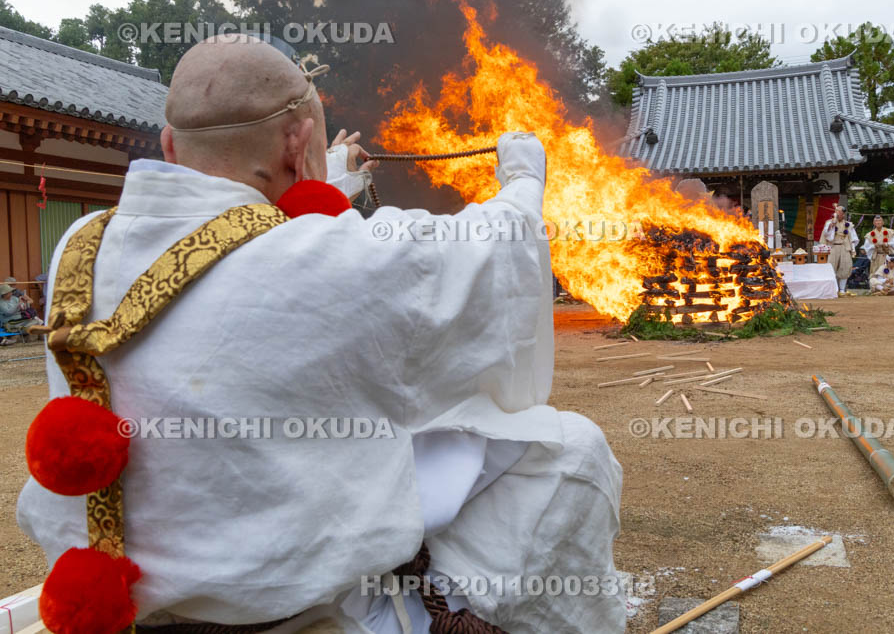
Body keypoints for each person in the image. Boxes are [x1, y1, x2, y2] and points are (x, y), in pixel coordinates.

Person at [17, 35, 624, 633]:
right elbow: (486, 247)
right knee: (572, 450)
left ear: (170, 143)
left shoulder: (82, 243)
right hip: (298, 610)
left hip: (123, 595)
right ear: (297, 140)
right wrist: (522, 181)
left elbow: (225, 236)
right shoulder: (337, 260)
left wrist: (326, 174)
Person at [821, 205, 859, 295]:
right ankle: (834, 289)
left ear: (843, 214)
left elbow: (853, 238)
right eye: (836, 211)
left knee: (845, 266)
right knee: (831, 266)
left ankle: (842, 290)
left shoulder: (849, 225)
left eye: (840, 212)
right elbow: (826, 234)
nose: (838, 213)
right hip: (833, 247)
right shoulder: (829, 223)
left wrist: (853, 249)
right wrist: (832, 225)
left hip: (845, 247)